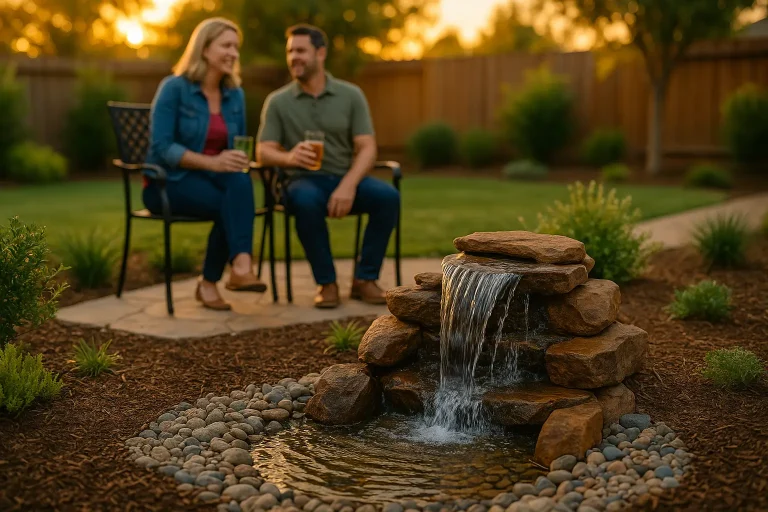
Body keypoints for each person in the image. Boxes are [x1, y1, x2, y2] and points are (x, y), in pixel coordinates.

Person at [256, 24, 400, 309]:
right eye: (290, 51)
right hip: (303, 181)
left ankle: (365, 279)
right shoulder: (278, 101)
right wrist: (288, 158)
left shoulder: (350, 95)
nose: (294, 57)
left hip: (345, 177)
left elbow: (367, 147)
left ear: (320, 53)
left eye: (301, 50)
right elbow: (263, 150)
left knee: (387, 197)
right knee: (304, 200)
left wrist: (348, 185)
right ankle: (327, 283)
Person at [144, 17, 267, 311]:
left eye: (236, 47)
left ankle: (240, 266)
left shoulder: (234, 94)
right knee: (233, 204)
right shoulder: (173, 88)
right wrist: (212, 163)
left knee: (239, 181)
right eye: (226, 45)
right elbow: (161, 147)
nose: (233, 53)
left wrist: (235, 159)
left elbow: (234, 145)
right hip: (167, 183)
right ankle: (213, 281)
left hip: (214, 181)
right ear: (204, 48)